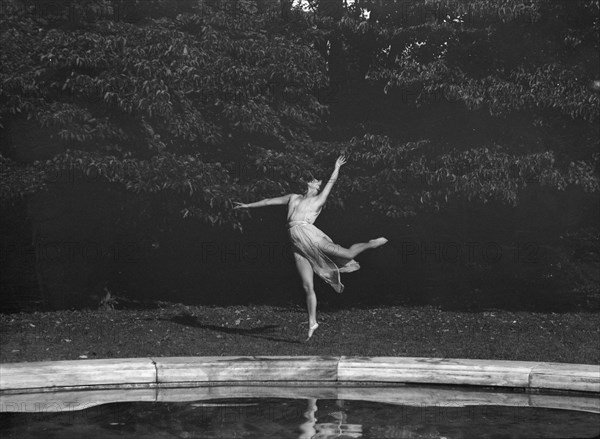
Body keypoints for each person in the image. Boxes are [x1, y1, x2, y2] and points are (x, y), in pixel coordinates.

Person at [234, 155, 388, 340]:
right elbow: (268, 201)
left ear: (318, 189)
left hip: (312, 237)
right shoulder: (293, 197)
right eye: (314, 180)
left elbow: (331, 182)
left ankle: (371, 243)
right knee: (307, 285)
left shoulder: (318, 201)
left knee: (347, 253)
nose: (316, 182)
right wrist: (247, 205)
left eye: (318, 182)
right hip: (298, 245)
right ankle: (312, 322)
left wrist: (337, 167)